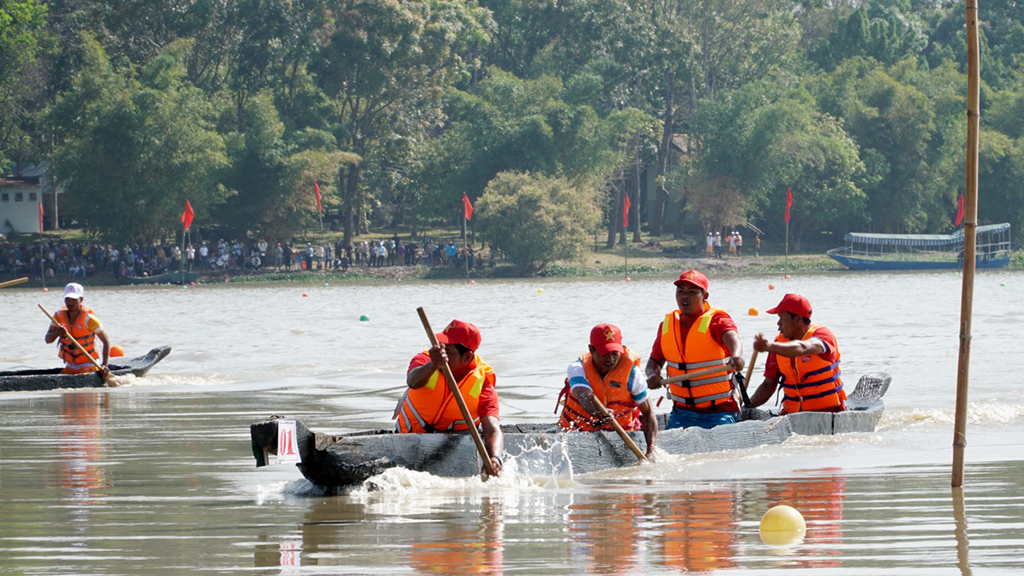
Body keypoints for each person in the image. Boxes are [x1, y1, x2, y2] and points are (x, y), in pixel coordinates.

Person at [394, 319, 504, 476]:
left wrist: (495, 459)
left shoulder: (483, 379)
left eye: (448, 351)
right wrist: (433, 364)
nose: (441, 353)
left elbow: (492, 429)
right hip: (409, 440)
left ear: (467, 357)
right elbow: (412, 381)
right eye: (440, 346)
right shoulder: (426, 359)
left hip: (454, 446)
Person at [645, 270, 745, 429]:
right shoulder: (667, 325)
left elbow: (733, 338)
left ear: (705, 296)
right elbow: (654, 361)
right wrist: (651, 374)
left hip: (719, 411)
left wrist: (737, 356)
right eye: (681, 292)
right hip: (682, 412)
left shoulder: (717, 320)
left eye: (692, 292)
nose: (685, 296)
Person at [557, 323, 658, 460]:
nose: (611, 360)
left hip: (621, 436)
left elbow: (648, 412)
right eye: (605, 354)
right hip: (577, 433)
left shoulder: (633, 374)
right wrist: (598, 413)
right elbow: (583, 395)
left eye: (615, 354)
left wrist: (651, 450)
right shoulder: (577, 368)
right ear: (591, 349)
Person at [748, 293, 846, 414]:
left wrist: (769, 347)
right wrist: (746, 407)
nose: (778, 323)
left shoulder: (823, 334)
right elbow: (768, 385)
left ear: (798, 319)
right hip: (791, 414)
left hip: (829, 411)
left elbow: (803, 347)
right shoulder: (779, 343)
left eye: (782, 318)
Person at [44, 282, 111, 378]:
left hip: (89, 363)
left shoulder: (89, 319)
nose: (70, 303)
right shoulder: (58, 316)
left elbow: (106, 341)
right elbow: (48, 340)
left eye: (73, 299)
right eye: (67, 299)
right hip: (70, 365)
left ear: (81, 299)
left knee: (84, 375)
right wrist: (57, 333)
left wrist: (105, 365)